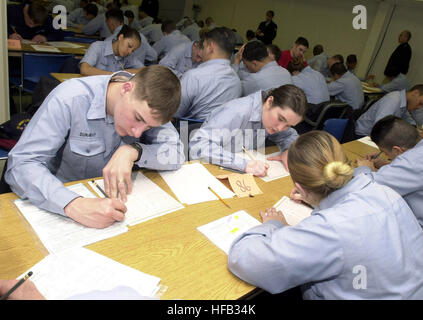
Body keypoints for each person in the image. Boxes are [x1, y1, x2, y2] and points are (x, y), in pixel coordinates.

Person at [228, 130, 423, 299]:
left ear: (300, 188)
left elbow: (243, 258)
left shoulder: (330, 229)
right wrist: (315, 200)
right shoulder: (385, 191)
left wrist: (273, 225)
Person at [5, 66, 185, 229]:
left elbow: (176, 153)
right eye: (138, 119)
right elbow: (21, 165)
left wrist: (133, 151)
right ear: (126, 88)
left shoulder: (152, 106)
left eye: (148, 127)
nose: (138, 133)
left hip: (111, 207)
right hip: (59, 200)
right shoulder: (70, 98)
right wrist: (72, 204)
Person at [189, 85, 306, 175]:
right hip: (210, 170)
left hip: (237, 174)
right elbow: (198, 145)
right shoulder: (237, 111)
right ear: (269, 102)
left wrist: (289, 149)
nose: (281, 128)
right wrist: (242, 164)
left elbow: (288, 135)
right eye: (280, 118)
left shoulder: (268, 116)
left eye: (288, 125)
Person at [356, 116, 423, 226]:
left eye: (385, 152)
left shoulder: (409, 163)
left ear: (397, 150)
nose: (386, 156)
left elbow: (364, 187)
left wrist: (364, 167)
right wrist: (389, 165)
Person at [174, 27, 241, 121]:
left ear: (211, 47)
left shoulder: (193, 77)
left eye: (204, 46)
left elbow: (174, 113)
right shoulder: (236, 81)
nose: (202, 51)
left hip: (187, 132)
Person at [355, 84, 423, 137]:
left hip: (376, 134)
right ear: (415, 93)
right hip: (363, 136)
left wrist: (415, 131)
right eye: (420, 103)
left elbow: (408, 120)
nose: (419, 107)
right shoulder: (393, 100)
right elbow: (380, 127)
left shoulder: (404, 103)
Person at [80, 25, 144, 76]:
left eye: (133, 50)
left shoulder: (128, 56)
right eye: (129, 46)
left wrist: (126, 72)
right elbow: (84, 69)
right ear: (121, 37)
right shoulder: (97, 47)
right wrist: (115, 75)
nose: (130, 52)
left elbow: (144, 69)